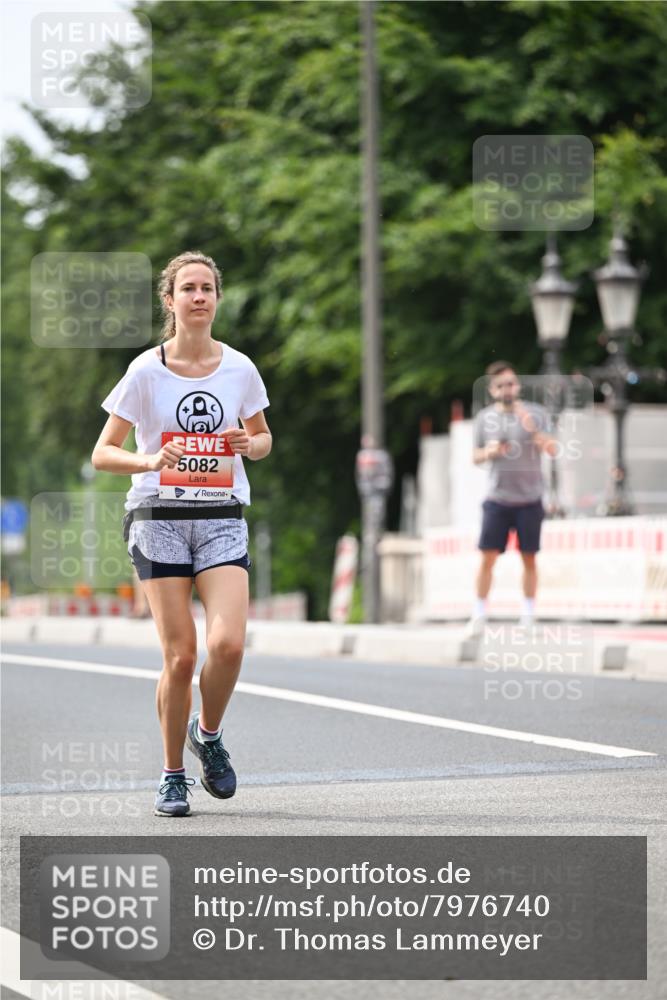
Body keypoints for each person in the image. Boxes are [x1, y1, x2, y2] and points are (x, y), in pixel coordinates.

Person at [91, 250, 271, 816]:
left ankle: (208, 736)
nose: (199, 297)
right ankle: (172, 776)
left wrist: (249, 444)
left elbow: (263, 438)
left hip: (221, 516)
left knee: (228, 644)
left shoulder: (240, 368)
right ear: (169, 301)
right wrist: (150, 461)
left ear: (217, 298)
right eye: (188, 288)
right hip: (158, 519)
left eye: (207, 288)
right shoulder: (146, 371)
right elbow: (102, 453)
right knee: (180, 656)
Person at [466, 360, 556, 634]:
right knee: (487, 557)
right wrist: (490, 452)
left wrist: (529, 425)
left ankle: (528, 615)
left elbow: (552, 449)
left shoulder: (536, 414)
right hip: (498, 498)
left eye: (512, 383)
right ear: (492, 390)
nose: (508, 389)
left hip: (529, 498)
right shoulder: (484, 418)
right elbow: (475, 457)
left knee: (529, 557)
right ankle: (479, 614)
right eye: (502, 385)